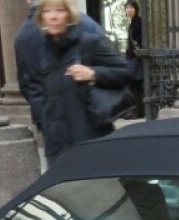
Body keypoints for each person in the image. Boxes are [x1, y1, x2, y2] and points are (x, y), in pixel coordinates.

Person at [30, 0, 132, 162]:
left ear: (69, 15)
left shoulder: (88, 44)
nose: (53, 17)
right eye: (47, 11)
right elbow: (35, 90)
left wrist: (93, 74)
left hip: (90, 138)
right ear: (41, 17)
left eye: (59, 10)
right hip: (56, 143)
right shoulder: (41, 51)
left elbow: (125, 72)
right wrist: (44, 124)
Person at [15, 0, 104, 132]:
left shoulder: (22, 35)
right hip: (89, 112)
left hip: (50, 118)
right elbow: (109, 65)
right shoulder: (87, 24)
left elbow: (25, 83)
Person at [124, 1, 145, 115]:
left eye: (131, 7)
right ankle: (137, 111)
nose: (129, 10)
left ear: (136, 9)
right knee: (135, 84)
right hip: (132, 57)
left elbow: (141, 40)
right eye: (127, 8)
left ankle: (136, 111)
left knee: (133, 83)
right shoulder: (132, 23)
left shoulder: (139, 22)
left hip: (136, 58)